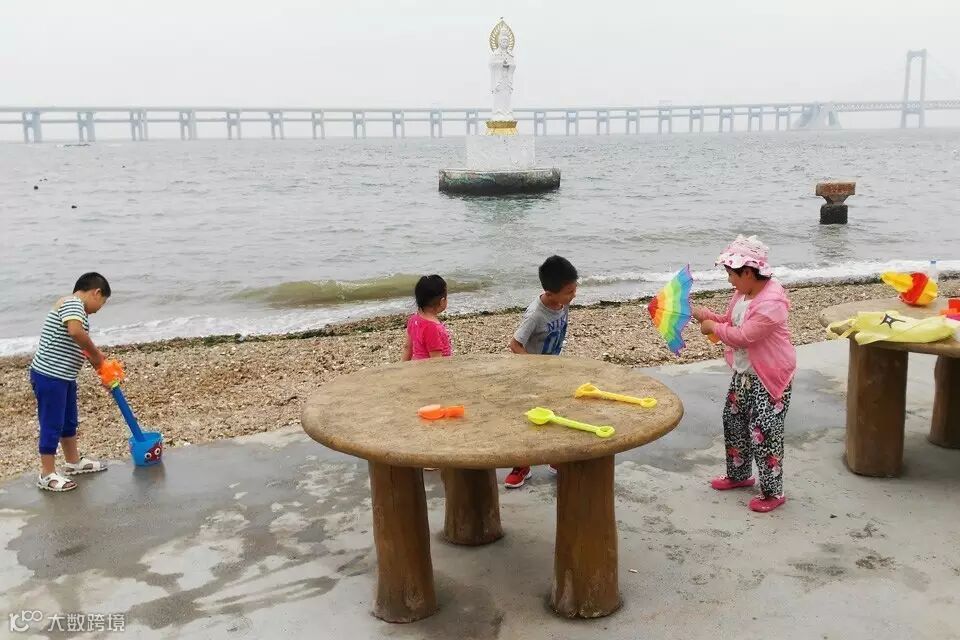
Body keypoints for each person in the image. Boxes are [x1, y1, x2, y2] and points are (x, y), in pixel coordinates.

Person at [692, 236, 796, 513]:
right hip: (745, 372)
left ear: (748, 272)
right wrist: (706, 316)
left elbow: (744, 336)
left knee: (764, 431)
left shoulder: (772, 302)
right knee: (733, 420)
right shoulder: (742, 293)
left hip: (770, 376)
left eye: (732, 274)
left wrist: (713, 328)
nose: (730, 281)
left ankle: (773, 492)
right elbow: (730, 322)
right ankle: (739, 474)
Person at [30, 272, 112, 492]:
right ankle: (46, 473)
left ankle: (73, 462)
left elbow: (80, 346)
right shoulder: (73, 303)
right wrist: (97, 354)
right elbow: (75, 332)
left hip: (64, 377)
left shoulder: (76, 311)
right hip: (49, 376)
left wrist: (102, 369)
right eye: (102, 302)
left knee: (69, 421)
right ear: (96, 293)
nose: (99, 309)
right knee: (52, 423)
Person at [504, 255, 578, 488]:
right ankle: (521, 465)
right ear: (550, 292)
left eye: (575, 289)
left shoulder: (563, 303)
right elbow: (514, 344)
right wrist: (534, 366)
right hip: (530, 375)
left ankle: (554, 458)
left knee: (555, 413)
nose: (573, 295)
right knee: (529, 419)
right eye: (569, 292)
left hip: (552, 370)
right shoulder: (535, 315)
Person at [403, 275, 452, 361]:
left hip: (417, 364)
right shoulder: (432, 328)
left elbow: (407, 347)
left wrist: (403, 366)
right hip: (433, 367)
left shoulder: (413, 319)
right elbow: (436, 360)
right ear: (442, 301)